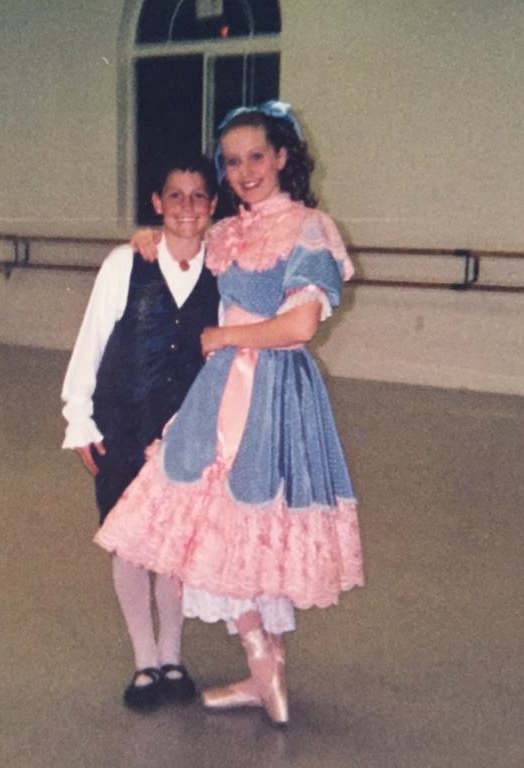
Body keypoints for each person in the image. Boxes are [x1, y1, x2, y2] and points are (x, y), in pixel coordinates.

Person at [94, 101, 365, 726]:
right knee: (213, 529)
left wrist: (224, 339)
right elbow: (178, 245)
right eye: (232, 161)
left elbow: (302, 323)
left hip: (269, 392)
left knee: (246, 522)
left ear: (282, 158)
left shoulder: (309, 227)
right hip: (218, 394)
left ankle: (266, 671)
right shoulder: (229, 231)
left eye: (256, 157)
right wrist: (146, 239)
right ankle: (261, 666)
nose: (243, 172)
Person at [61, 153, 220, 710]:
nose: (186, 207)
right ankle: (145, 662)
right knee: (130, 544)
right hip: (121, 423)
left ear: (213, 206)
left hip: (187, 431)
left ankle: (173, 656)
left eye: (198, 195)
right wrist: (78, 416)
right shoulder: (123, 264)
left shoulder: (224, 269)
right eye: (174, 195)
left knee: (173, 547)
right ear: (156, 204)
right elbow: (93, 339)